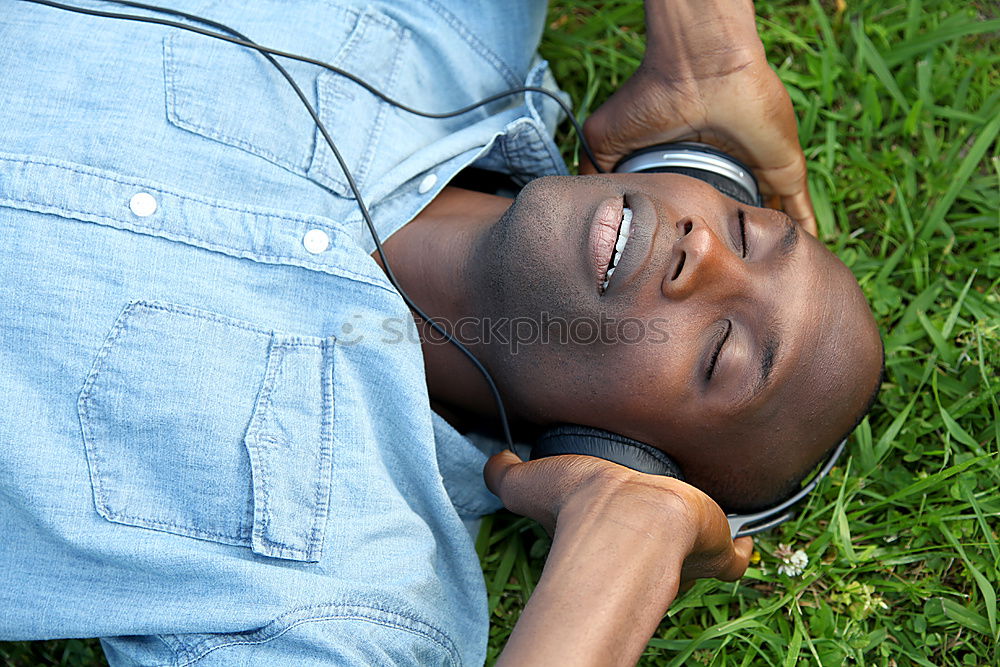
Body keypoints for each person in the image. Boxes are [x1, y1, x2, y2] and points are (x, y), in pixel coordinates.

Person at [0, 1, 881, 666]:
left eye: (721, 351)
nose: (706, 260)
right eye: (742, 229)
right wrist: (709, 47)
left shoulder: (351, 595)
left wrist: (629, 537)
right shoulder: (454, 22)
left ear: (614, 451)